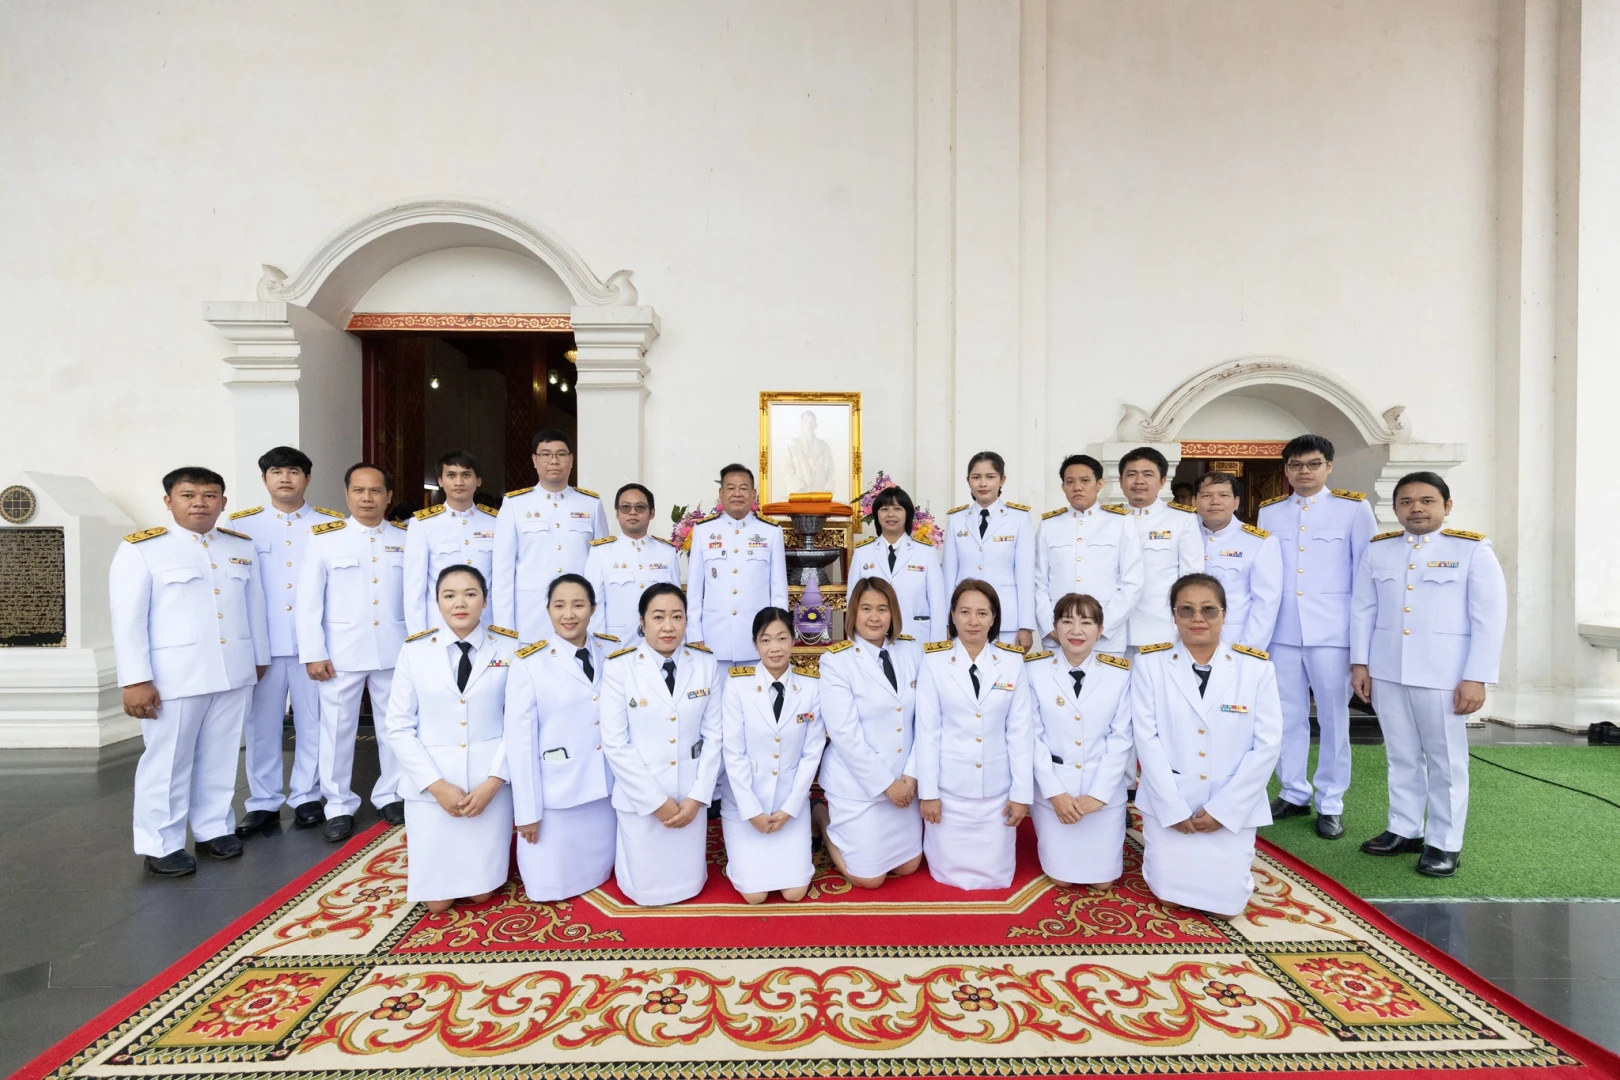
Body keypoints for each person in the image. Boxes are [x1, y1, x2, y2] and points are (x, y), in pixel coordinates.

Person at [109, 466, 270, 876]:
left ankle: (213, 827)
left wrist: (258, 658)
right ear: (168, 501)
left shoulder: (240, 547)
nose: (200, 502)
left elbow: (254, 607)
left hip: (233, 670)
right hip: (173, 677)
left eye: (210, 495)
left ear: (223, 502)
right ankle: (160, 843)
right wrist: (135, 679)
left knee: (220, 754)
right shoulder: (142, 549)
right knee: (168, 761)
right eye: (188, 495)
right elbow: (128, 620)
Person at [1351, 472, 1506, 877]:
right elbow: (1363, 609)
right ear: (1396, 508)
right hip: (1388, 669)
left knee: (1445, 761)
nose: (1415, 508)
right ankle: (1404, 828)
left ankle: (1444, 841)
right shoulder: (1380, 550)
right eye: (1406, 501)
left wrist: (1477, 676)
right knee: (1400, 755)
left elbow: (1488, 619)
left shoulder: (1472, 550)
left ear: (1446, 506)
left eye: (1426, 500)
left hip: (1444, 674)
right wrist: (1360, 663)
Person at [1131, 574, 1282, 919]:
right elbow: (1146, 739)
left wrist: (1224, 810)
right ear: (1173, 615)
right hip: (1172, 800)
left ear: (1225, 614)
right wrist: (1173, 807)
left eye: (1208, 610)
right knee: (1169, 896)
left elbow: (1267, 745)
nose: (1197, 619)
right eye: (1186, 610)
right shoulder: (1150, 665)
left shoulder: (1256, 669)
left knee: (1227, 905)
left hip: (1231, 803)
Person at [1257, 434, 1377, 841]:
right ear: (1285, 469)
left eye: (1311, 464)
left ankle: (1331, 801)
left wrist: (1361, 647)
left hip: (1332, 633)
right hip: (1283, 632)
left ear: (1329, 466)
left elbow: (1366, 577)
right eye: (1294, 465)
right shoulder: (1269, 513)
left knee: (1333, 718)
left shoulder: (1354, 508)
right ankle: (1293, 791)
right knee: (1286, 717)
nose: (1302, 472)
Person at [382, 566, 515, 913]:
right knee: (437, 904)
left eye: (470, 594)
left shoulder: (511, 648)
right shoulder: (415, 651)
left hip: (488, 787)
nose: (461, 603)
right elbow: (397, 726)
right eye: (450, 595)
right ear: (437, 602)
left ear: (485, 601)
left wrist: (494, 782)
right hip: (433, 787)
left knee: (481, 894)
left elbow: (520, 724)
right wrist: (436, 785)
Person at [229, 446, 344, 835]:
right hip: (265, 643)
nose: (285, 479)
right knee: (262, 725)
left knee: (313, 721)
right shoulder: (241, 526)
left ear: (307, 478)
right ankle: (262, 801)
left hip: (315, 643)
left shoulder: (332, 525)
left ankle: (307, 796)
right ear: (265, 480)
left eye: (293, 471)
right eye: (276, 472)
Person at [296, 463, 410, 842]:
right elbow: (308, 601)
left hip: (395, 650)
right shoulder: (325, 538)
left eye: (375, 491)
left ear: (388, 496)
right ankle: (338, 805)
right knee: (337, 730)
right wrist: (313, 651)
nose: (367, 498)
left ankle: (390, 793)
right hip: (340, 653)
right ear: (346, 495)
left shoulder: (406, 538)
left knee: (395, 726)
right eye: (359, 490)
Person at [599, 583, 724, 905]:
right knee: (645, 883)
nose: (668, 626)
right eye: (658, 617)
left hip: (689, 793)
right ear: (642, 622)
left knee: (688, 878)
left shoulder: (706, 663)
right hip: (642, 798)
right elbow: (615, 742)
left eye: (676, 616)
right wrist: (656, 801)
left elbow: (715, 736)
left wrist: (698, 796)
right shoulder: (619, 667)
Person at [505, 574, 620, 901]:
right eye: (559, 605)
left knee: (603, 870)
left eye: (578, 605)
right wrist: (527, 811)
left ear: (593, 609)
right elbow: (519, 741)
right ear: (548, 610)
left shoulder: (612, 651)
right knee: (549, 885)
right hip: (557, 792)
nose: (569, 614)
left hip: (605, 790)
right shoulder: (530, 662)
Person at [915, 579, 1034, 890]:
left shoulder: (1011, 663)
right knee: (944, 875)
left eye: (982, 613)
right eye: (965, 611)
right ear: (952, 616)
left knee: (995, 875)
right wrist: (928, 793)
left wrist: (1021, 794)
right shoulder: (934, 662)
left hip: (996, 791)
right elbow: (927, 732)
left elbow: (1020, 732)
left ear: (994, 618)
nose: (973, 621)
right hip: (949, 790)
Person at [813, 577, 924, 888]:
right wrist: (887, 785)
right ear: (853, 614)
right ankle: (822, 817)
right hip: (860, 785)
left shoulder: (912, 651)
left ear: (893, 614)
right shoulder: (836, 661)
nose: (874, 617)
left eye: (882, 609)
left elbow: (924, 723)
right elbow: (845, 737)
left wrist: (910, 778)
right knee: (869, 879)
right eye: (866, 609)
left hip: (904, 782)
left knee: (909, 866)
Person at [719, 607, 827, 903]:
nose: (774, 648)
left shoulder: (811, 686)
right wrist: (752, 810)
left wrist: (790, 808)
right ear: (755, 644)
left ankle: (812, 817)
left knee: (794, 893)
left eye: (782, 638)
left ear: (793, 640)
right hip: (746, 802)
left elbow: (812, 753)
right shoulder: (737, 685)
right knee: (755, 895)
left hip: (789, 801)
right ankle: (737, 858)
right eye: (765, 640)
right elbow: (733, 751)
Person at [1025, 593, 1134, 887]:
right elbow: (1031, 738)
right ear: (1054, 627)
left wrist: (1098, 795)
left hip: (1104, 792)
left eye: (1086, 622)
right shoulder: (1033, 670)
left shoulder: (1119, 673)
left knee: (1103, 882)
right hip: (1054, 792)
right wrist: (1055, 794)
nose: (1076, 630)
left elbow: (1122, 739)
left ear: (1100, 630)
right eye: (1067, 621)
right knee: (1061, 880)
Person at [492, 428, 608, 642]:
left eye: (561, 454)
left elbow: (601, 567)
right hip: (531, 617)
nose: (554, 460)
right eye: (546, 454)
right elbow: (502, 571)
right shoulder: (515, 504)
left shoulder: (591, 504)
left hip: (579, 616)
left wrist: (598, 623)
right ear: (535, 460)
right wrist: (505, 630)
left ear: (571, 460)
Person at [1034, 454, 1143, 654]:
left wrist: (1101, 627)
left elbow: (1132, 582)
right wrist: (1051, 627)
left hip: (1105, 637)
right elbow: (1038, 583)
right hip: (1058, 636)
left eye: (1085, 481)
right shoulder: (1049, 525)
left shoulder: (1120, 522)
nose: (1077, 487)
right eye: (1070, 482)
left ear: (1099, 483)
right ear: (1063, 487)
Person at [686, 464, 788, 665]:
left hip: (758, 639)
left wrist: (777, 636)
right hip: (714, 639)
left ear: (753, 494)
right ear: (721, 494)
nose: (737, 494)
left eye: (743, 488)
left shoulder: (770, 532)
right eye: (731, 488)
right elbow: (695, 590)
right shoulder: (704, 530)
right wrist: (694, 634)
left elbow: (778, 591)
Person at [942, 452, 1036, 650]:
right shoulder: (956, 519)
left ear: (1002, 480)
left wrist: (1026, 626)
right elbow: (949, 575)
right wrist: (946, 622)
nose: (983, 484)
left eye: (990, 477)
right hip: (966, 619)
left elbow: (1025, 575)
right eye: (976, 477)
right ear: (968, 481)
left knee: (1005, 678)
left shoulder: (1018, 518)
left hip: (1007, 620)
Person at [405, 450, 498, 636]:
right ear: (440, 481)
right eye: (451, 475)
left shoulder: (496, 521)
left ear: (478, 480)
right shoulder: (423, 524)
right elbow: (414, 587)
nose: (459, 482)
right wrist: (418, 636)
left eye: (466, 475)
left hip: (487, 622)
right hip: (440, 625)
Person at [1119, 447, 1203, 651]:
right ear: (1120, 481)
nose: (1139, 481)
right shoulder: (1108, 519)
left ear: (1163, 482)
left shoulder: (1182, 520)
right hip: (1113, 630)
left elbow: (1190, 579)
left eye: (1148, 474)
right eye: (1131, 474)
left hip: (1160, 630)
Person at [847, 484, 947, 641]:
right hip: (873, 639)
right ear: (876, 515)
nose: (891, 515)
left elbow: (938, 604)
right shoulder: (862, 553)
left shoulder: (926, 552)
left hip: (916, 638)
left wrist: (937, 648)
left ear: (907, 514)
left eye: (897, 509)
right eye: (884, 509)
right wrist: (855, 644)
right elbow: (852, 603)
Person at [1194, 471, 1282, 648]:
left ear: (1236, 502)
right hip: (1185, 640)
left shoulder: (1259, 541)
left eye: (1224, 495)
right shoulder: (1184, 535)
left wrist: (1249, 649)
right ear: (1194, 501)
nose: (1215, 501)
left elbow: (1266, 602)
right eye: (1206, 495)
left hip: (1232, 642)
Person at [584, 483, 681, 642]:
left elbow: (676, 603)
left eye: (640, 507)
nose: (633, 512)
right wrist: (600, 645)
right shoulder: (601, 552)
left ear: (652, 513)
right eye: (625, 507)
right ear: (617, 513)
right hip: (618, 645)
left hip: (660, 642)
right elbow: (595, 606)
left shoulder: (667, 552)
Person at [785, 409, 836, 493]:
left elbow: (831, 470)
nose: (809, 425)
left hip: (820, 494)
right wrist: (799, 487)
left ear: (816, 425)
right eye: (806, 422)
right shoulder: (792, 446)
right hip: (799, 494)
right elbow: (787, 469)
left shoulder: (824, 446)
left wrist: (828, 489)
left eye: (812, 422)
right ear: (801, 425)